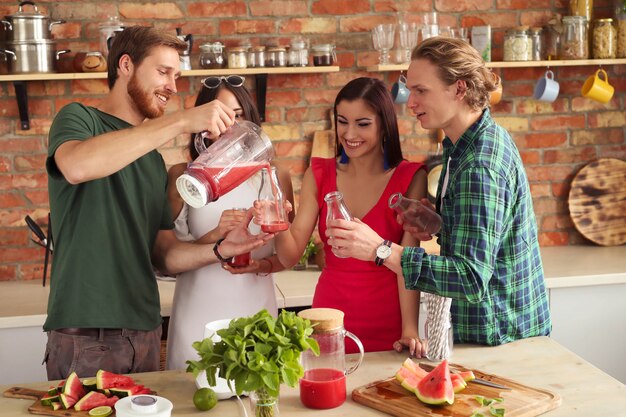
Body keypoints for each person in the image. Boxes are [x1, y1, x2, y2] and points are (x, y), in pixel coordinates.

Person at [44, 26, 272, 380]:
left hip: (145, 334)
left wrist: (221, 248)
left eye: (177, 76)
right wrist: (180, 121)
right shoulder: (79, 119)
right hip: (88, 334)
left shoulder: (152, 163)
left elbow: (164, 256)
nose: (172, 86)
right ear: (125, 66)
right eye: (163, 72)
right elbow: (76, 167)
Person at [327, 37, 551, 347]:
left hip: (500, 336)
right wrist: (439, 224)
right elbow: (483, 237)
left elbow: (470, 279)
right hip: (498, 331)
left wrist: (380, 250)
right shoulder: (463, 147)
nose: (410, 102)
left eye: (421, 90)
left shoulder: (478, 166)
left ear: (459, 89)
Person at [265, 77, 429, 356]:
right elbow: (290, 256)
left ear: (385, 125)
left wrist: (409, 330)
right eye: (342, 121)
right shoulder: (319, 173)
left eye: (362, 123)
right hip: (328, 318)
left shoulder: (411, 177)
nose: (350, 133)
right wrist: (278, 219)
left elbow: (407, 263)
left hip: (388, 322)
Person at [165, 76, 294, 370]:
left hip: (256, 313)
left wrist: (274, 235)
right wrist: (216, 236)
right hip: (197, 314)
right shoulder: (181, 177)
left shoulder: (274, 177)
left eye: (237, 116)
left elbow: (287, 257)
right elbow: (165, 259)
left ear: (250, 121)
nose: (229, 127)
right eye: (219, 116)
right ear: (202, 123)